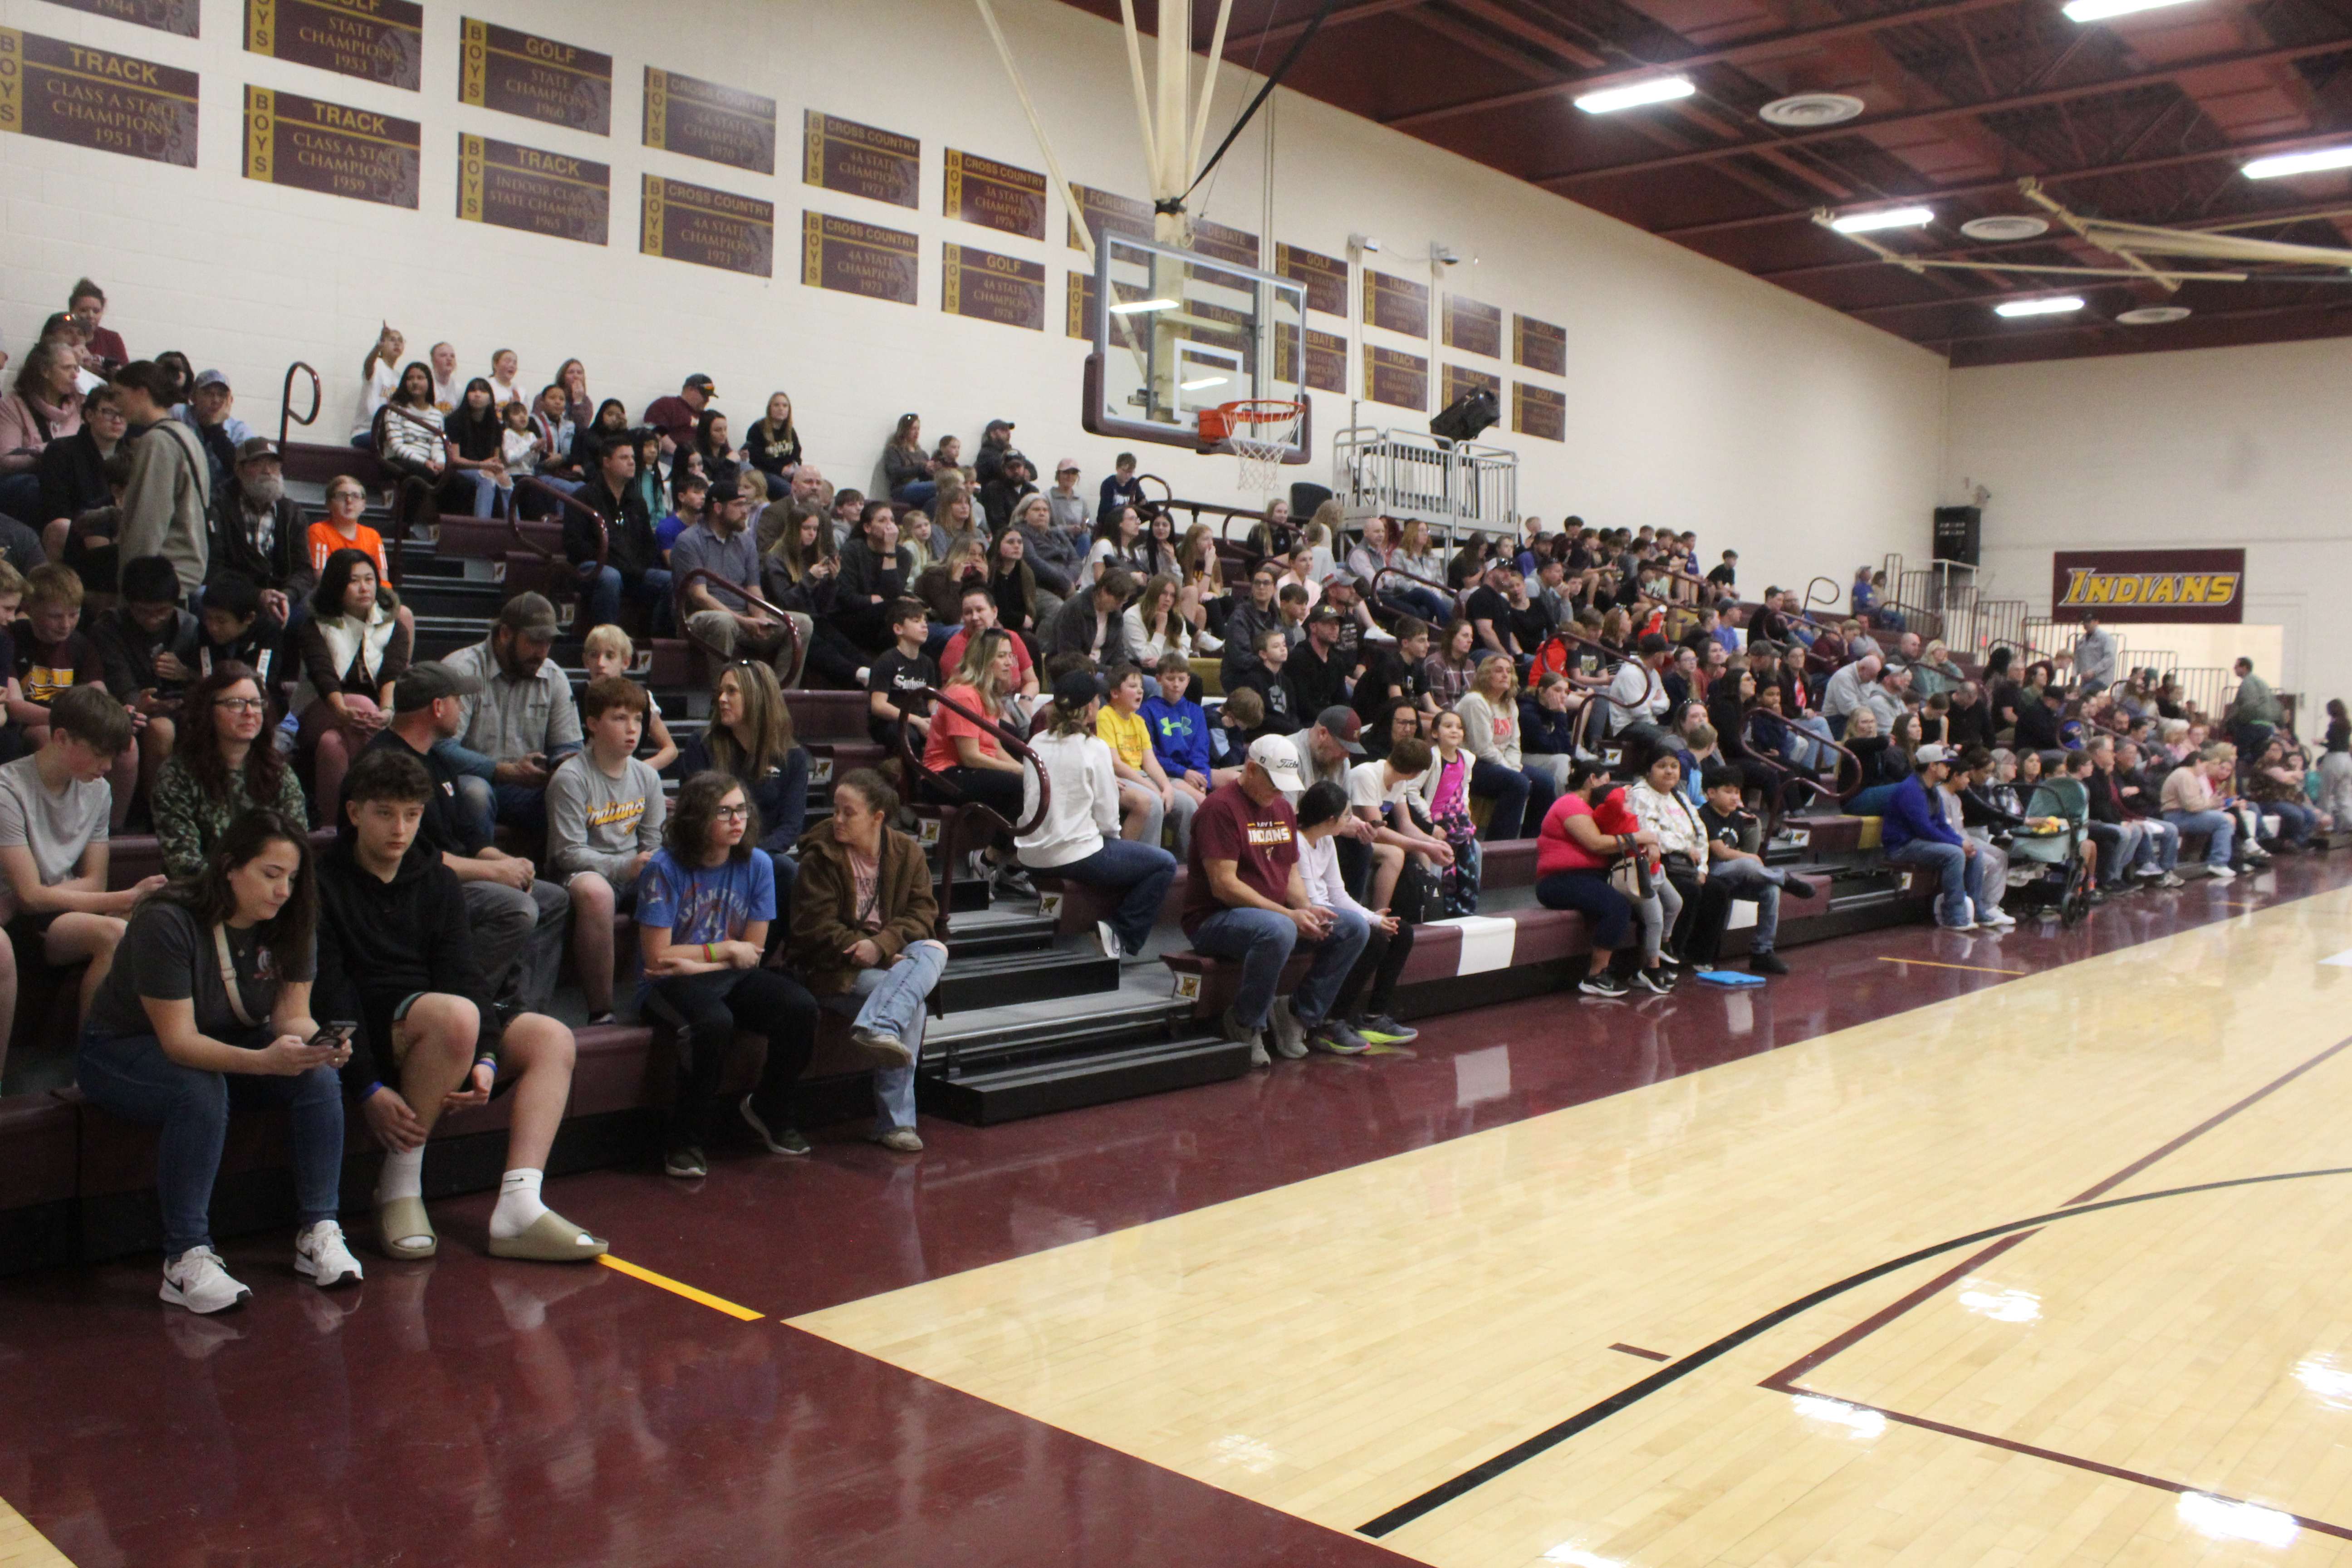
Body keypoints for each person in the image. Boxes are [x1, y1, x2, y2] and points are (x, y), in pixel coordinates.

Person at [316, 747, 605, 1261]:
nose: (400, 829)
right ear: (355, 812)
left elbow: (464, 975)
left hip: (445, 1026)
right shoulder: (322, 881)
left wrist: (488, 1059)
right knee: (455, 1016)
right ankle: (399, 1187)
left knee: (551, 1038)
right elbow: (329, 992)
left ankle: (519, 1205)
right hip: (372, 1031)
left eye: (412, 814)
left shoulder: (439, 879)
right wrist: (366, 1087)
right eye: (385, 813)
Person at [74, 810, 363, 1312]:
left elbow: (291, 1016)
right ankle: (185, 1257)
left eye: (292, 879)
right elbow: (180, 1043)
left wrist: (316, 1046)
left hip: (226, 1044)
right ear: (229, 867)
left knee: (315, 1075)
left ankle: (319, 1229)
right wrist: (269, 1062)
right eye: (270, 875)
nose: (283, 891)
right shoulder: (168, 919)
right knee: (198, 1086)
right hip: (122, 1050)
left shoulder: (293, 921)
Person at [627, 769, 817, 1178]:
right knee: (714, 1022)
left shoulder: (759, 864)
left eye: (742, 810)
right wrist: (725, 951)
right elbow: (658, 958)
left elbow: (754, 952)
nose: (737, 820)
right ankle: (685, 1140)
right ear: (697, 818)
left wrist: (706, 960)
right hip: (665, 985)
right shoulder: (663, 868)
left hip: (725, 975)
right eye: (724, 812)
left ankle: (770, 1107)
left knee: (800, 1007)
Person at [366, 660, 568, 1015]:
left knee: (553, 899)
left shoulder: (437, 760)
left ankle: (520, 1009)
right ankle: (466, 1002)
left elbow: (468, 839)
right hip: (408, 889)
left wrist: (505, 862)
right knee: (518, 908)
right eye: (458, 700)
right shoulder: (386, 763)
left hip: (448, 874)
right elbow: (409, 859)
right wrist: (494, 874)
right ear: (438, 707)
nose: (462, 709)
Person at [0, 686, 162, 1069]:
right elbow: (28, 897)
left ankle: (90, 1065)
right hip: (14, 918)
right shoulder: (8, 789)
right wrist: (123, 898)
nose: (107, 766)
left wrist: (55, 893)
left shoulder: (99, 792)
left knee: (125, 932)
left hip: (57, 911)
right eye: (99, 753)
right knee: (118, 922)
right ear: (61, 738)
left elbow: (94, 880)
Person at [785, 769, 945, 1153]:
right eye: (836, 810)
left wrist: (884, 946)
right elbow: (814, 930)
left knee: (936, 949)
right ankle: (895, 1123)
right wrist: (874, 951)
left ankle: (879, 1026)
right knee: (915, 1003)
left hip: (887, 960)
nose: (837, 820)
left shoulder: (907, 853)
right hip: (834, 969)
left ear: (878, 817)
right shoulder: (821, 855)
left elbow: (924, 914)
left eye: (848, 813)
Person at [1183, 735, 1371, 1061]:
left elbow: (1291, 873)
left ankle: (1297, 1014)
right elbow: (1224, 886)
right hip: (1215, 920)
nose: (1280, 791)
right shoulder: (1219, 809)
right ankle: (1245, 1022)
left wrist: (1306, 908)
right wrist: (1288, 917)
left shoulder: (1283, 807)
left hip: (1269, 916)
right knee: (1279, 929)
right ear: (1252, 769)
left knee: (1352, 926)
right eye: (1274, 783)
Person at [545, 676, 666, 1027]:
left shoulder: (647, 777)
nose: (633, 729)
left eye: (639, 720)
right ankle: (601, 1010)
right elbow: (567, 852)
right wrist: (623, 866)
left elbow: (653, 842)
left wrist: (645, 864)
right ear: (593, 724)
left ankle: (661, 992)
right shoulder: (571, 778)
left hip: (631, 868)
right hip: (583, 872)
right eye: (620, 718)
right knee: (596, 893)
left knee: (667, 875)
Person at [439, 593, 581, 840]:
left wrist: (561, 763)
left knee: (572, 790)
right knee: (476, 793)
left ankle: (566, 872)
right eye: (535, 641)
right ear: (505, 634)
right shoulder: (462, 670)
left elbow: (567, 745)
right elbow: (440, 748)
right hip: (465, 782)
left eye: (548, 643)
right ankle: (480, 872)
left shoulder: (554, 677)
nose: (542, 652)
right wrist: (503, 770)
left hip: (526, 788)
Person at [152, 663, 308, 879]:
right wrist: (245, 883)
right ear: (209, 711)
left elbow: (296, 844)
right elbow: (183, 862)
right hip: (200, 895)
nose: (249, 713)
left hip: (270, 890)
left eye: (256, 703)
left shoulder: (279, 772)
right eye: (235, 704)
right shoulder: (176, 775)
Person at [294, 547, 410, 822]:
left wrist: (388, 710)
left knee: (332, 745)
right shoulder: (315, 626)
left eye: (370, 579)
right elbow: (323, 675)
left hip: (372, 715)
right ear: (336, 585)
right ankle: (376, 811)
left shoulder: (393, 626)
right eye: (354, 580)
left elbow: (393, 673)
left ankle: (335, 827)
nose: (364, 588)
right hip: (320, 708)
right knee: (359, 704)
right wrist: (341, 710)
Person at [922, 627, 1035, 898]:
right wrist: (1021, 772)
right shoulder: (963, 693)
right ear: (984, 659)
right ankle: (986, 860)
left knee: (1037, 786)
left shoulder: (988, 694)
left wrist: (1028, 771)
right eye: (1002, 656)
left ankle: (1011, 870)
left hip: (969, 770)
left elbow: (994, 748)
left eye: (1011, 656)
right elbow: (970, 755)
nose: (1011, 662)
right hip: (943, 774)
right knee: (1022, 786)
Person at [672, 477, 810, 686]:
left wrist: (760, 618)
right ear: (718, 508)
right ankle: (722, 698)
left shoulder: (745, 541)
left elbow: (753, 588)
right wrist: (743, 622)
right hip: (698, 619)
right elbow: (700, 596)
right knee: (724, 622)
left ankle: (781, 698)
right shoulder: (689, 541)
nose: (746, 511)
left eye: (746, 504)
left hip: (743, 618)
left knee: (802, 624)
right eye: (739, 505)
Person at [1536, 758, 1655, 999]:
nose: (1611, 789)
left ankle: (1643, 969)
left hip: (1592, 877)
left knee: (1646, 904)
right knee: (1617, 906)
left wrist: (1649, 843)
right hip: (1560, 879)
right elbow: (1596, 844)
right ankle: (1596, 975)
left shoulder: (1597, 811)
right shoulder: (1570, 804)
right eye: (1606, 781)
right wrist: (1640, 837)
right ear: (1592, 779)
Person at [111, 362, 210, 595]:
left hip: (163, 574)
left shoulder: (157, 441)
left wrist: (131, 585)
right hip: (186, 564)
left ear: (142, 392)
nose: (116, 404)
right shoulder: (185, 433)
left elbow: (148, 520)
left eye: (119, 395)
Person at [1881, 743, 1994, 930]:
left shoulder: (1932, 789)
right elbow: (1924, 829)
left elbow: (1942, 824)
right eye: (1945, 764)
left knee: (1976, 854)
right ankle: (1953, 915)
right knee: (1955, 854)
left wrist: (1962, 842)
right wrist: (1958, 844)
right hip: (1902, 847)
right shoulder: (1910, 790)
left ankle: (1977, 911)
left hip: (1920, 843)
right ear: (1932, 766)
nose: (1948, 768)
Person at [206, 436, 311, 627]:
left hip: (280, 594)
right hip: (234, 594)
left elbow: (304, 570)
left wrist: (286, 596)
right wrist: (256, 596)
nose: (268, 471)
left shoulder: (292, 513)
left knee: (307, 610)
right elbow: (215, 569)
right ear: (239, 470)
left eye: (274, 464)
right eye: (258, 463)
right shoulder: (219, 507)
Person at [572, 430, 669, 634]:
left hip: (632, 571)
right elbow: (575, 545)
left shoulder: (637, 501)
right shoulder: (584, 497)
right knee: (611, 577)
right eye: (624, 458)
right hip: (596, 568)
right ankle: (606, 640)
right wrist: (617, 563)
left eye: (633, 457)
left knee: (671, 581)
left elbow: (648, 545)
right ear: (607, 462)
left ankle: (654, 644)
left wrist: (636, 567)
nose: (632, 462)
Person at [1098, 661, 1196, 854]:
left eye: (1141, 687)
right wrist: (1152, 787)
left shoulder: (1138, 720)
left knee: (1187, 804)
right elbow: (1115, 764)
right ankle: (1150, 860)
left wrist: (1166, 787)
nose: (1140, 692)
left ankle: (1185, 863)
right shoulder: (1105, 716)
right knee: (1153, 802)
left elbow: (1150, 761)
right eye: (1133, 687)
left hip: (1142, 776)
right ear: (1115, 693)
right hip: (1122, 778)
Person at [1455, 655, 1556, 841]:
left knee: (1546, 783)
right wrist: (1512, 770)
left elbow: (1514, 743)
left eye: (1508, 671)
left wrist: (1514, 766)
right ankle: (1499, 847)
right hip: (1472, 765)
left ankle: (1530, 844)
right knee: (1517, 783)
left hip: (1501, 764)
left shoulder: (1509, 703)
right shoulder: (1475, 701)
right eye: (1498, 670)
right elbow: (1482, 749)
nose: (1505, 675)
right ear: (1486, 675)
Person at [580, 622, 676, 771]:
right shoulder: (574, 695)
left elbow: (670, 749)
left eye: (609, 656)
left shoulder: (640, 697)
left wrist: (640, 770)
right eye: (594, 655)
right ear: (586, 661)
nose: (601, 663)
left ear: (626, 662)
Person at [868, 596, 938, 753]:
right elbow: (878, 706)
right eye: (916, 621)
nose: (924, 626)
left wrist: (936, 719)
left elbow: (932, 700)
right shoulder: (887, 660)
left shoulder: (927, 663)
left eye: (925, 622)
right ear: (898, 629)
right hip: (889, 722)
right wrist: (917, 721)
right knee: (910, 739)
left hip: (919, 719)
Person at [743, 391, 801, 498]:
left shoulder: (790, 431)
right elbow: (757, 458)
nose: (781, 409)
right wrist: (780, 469)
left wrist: (795, 467)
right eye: (777, 405)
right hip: (765, 473)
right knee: (790, 491)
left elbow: (797, 454)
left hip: (788, 473)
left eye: (785, 406)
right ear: (770, 408)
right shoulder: (758, 428)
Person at [642, 373, 717, 451]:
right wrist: (681, 455)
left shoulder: (705, 416)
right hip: (671, 456)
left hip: (697, 459)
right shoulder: (667, 405)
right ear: (691, 390)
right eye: (705, 396)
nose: (708, 400)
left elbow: (724, 448)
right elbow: (657, 433)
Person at [881, 412, 938, 509]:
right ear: (904, 430)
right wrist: (922, 468)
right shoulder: (894, 450)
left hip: (920, 486)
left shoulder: (922, 453)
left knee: (937, 500)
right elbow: (895, 473)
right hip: (902, 489)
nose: (917, 432)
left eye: (918, 429)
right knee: (938, 486)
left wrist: (932, 471)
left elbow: (925, 476)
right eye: (913, 429)